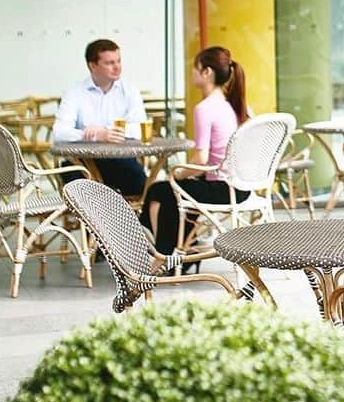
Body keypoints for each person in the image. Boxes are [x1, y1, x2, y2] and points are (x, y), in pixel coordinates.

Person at [142, 45, 249, 255]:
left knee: (160, 189)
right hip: (242, 188)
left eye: (195, 68)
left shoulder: (205, 108)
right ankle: (180, 249)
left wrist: (179, 173)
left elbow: (201, 160)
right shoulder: (236, 105)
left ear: (207, 73)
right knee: (174, 190)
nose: (192, 72)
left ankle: (162, 254)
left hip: (222, 188)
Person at [53, 38, 148, 197]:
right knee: (75, 184)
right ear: (93, 66)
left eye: (118, 60)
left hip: (120, 160)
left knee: (141, 185)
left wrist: (106, 131)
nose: (117, 67)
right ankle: (89, 222)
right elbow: (59, 133)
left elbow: (140, 128)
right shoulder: (75, 92)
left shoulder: (130, 90)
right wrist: (91, 135)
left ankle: (129, 220)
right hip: (81, 161)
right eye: (109, 63)